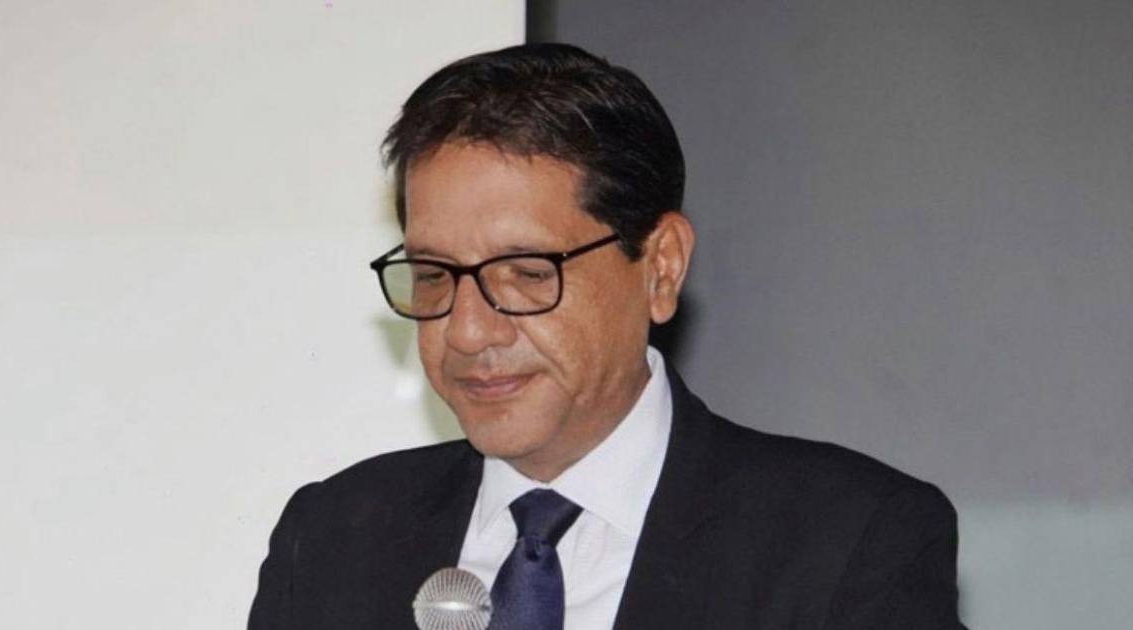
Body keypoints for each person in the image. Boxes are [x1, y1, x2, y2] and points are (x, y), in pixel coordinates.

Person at [248, 43, 967, 630]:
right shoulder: (333, 541)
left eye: (526, 273)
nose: (466, 331)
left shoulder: (847, 543)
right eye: (435, 275)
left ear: (660, 267)